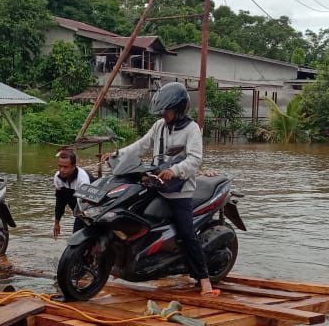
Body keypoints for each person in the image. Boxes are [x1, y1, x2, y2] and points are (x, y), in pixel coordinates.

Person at [108, 81, 217, 296]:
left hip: (179, 191)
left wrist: (174, 170)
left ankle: (204, 280)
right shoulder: (159, 126)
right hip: (155, 184)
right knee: (131, 215)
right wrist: (116, 155)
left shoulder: (192, 129)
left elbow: (195, 160)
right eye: (163, 111)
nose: (163, 115)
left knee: (187, 234)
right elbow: (140, 145)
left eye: (166, 111)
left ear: (178, 109)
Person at [53, 148, 91, 238]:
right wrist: (57, 222)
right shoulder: (58, 178)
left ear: (74, 166)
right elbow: (60, 202)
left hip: (88, 208)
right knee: (76, 237)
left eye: (65, 167)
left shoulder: (82, 179)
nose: (62, 170)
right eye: (60, 166)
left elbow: (87, 205)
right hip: (78, 212)